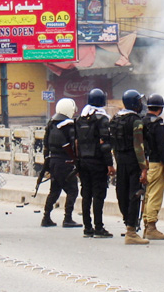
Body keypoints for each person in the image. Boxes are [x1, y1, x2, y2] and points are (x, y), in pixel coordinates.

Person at [76, 88, 116, 239]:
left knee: (86, 194)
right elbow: (105, 143)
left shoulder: (80, 119)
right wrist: (110, 164)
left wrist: (77, 164)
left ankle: (87, 228)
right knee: (98, 195)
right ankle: (99, 227)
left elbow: (76, 143)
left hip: (83, 162)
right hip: (98, 162)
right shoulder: (102, 119)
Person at [110, 90, 149, 243]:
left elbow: (112, 143)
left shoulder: (115, 119)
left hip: (120, 160)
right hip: (133, 161)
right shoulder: (136, 121)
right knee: (135, 194)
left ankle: (128, 223)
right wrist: (144, 168)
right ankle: (131, 232)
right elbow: (138, 146)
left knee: (122, 193)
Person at [40, 98, 81, 228]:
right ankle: (67, 218)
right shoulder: (68, 126)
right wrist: (77, 161)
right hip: (65, 162)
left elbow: (45, 146)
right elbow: (74, 146)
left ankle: (46, 217)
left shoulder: (51, 124)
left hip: (53, 161)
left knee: (55, 190)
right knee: (73, 190)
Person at [141, 93, 164, 241]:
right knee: (155, 195)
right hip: (155, 163)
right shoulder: (157, 123)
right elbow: (162, 146)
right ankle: (151, 226)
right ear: (160, 108)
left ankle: (146, 225)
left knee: (147, 195)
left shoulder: (141, 121)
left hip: (144, 164)